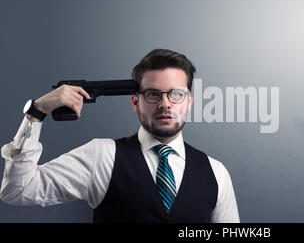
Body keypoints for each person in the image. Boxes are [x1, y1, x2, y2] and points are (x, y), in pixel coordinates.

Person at [0, 49, 240, 223]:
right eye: (153, 94)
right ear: (135, 102)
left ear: (189, 102)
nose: (165, 104)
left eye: (176, 94)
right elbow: (18, 191)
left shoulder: (216, 172)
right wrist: (36, 113)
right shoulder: (101, 156)